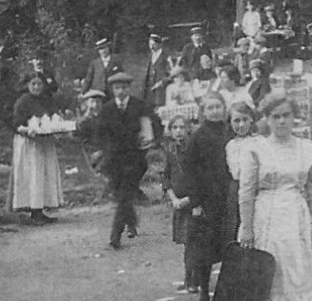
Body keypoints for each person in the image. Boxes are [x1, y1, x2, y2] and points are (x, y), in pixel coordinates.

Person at [231, 93, 312, 301]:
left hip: (296, 219)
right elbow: (246, 192)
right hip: (266, 218)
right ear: (266, 119)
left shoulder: (306, 148)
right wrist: (247, 228)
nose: (282, 121)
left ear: (294, 116)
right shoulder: (256, 149)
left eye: (286, 115)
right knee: (261, 277)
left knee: (292, 276)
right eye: (276, 116)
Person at [77, 71, 154, 249]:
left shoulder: (138, 105)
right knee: (123, 195)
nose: (121, 91)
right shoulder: (107, 109)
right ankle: (131, 222)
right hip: (114, 160)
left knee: (123, 196)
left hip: (135, 159)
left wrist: (148, 139)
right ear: (113, 89)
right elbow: (99, 135)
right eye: (117, 88)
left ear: (129, 88)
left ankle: (115, 235)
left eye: (124, 88)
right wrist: (104, 150)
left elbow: (150, 124)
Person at [174, 92, 234, 301]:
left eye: (218, 106)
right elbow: (189, 171)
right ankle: (202, 292)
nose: (215, 111)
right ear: (204, 112)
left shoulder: (231, 131)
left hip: (229, 197)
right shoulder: (198, 136)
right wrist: (196, 202)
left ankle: (228, 292)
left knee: (230, 244)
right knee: (203, 249)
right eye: (210, 108)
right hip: (207, 199)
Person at [10, 72, 63, 226]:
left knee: (44, 174)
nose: (36, 87)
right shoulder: (22, 101)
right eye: (33, 84)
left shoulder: (47, 100)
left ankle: (41, 209)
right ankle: (34, 211)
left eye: (39, 84)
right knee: (33, 175)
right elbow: (16, 124)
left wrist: (57, 129)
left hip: (45, 142)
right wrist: (28, 130)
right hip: (29, 143)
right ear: (27, 85)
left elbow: (53, 118)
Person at [222, 101, 260, 265]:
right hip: (234, 189)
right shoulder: (230, 145)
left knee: (251, 226)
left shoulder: (259, 142)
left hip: (253, 190)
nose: (241, 124)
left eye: (245, 119)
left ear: (252, 119)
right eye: (236, 121)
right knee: (233, 227)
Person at [162, 113, 195, 289]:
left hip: (194, 203)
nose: (179, 131)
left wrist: (190, 199)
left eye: (182, 127)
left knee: (194, 242)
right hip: (179, 204)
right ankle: (188, 277)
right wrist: (174, 198)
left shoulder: (193, 149)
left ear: (188, 129)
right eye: (175, 128)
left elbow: (200, 179)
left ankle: (193, 279)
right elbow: (166, 177)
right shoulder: (171, 150)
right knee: (186, 243)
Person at [143, 32, 172, 108]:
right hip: (150, 89)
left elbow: (171, 74)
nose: (151, 47)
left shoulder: (166, 57)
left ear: (160, 45)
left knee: (160, 108)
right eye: (150, 45)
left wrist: (162, 82)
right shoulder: (150, 55)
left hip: (161, 90)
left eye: (153, 45)